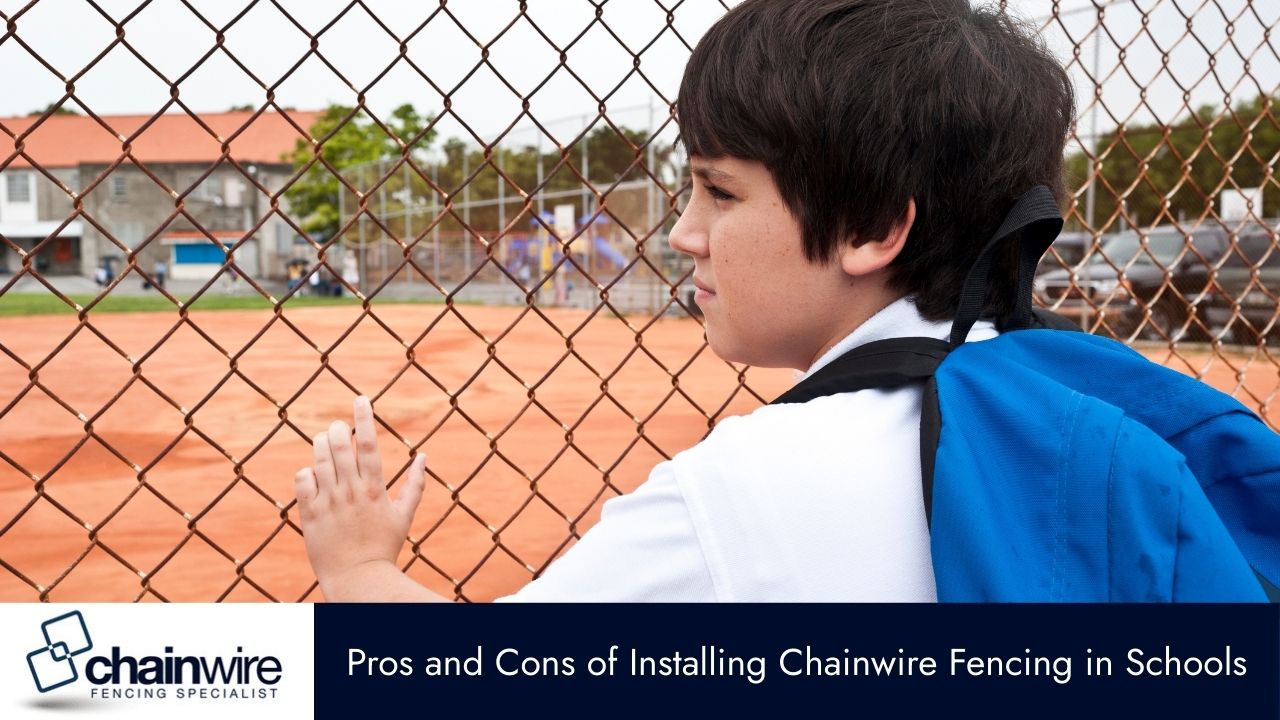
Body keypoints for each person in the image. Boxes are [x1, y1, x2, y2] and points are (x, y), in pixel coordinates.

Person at [294, 0, 1075, 602]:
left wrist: (358, 568)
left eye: (720, 191)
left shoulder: (747, 492)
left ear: (871, 227)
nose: (682, 234)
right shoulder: (1066, 389)